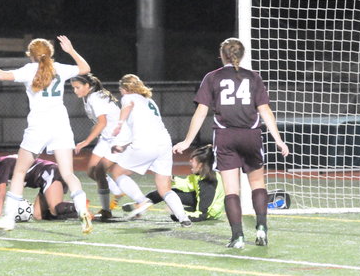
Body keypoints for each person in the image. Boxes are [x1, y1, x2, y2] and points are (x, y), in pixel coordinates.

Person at [0, 35, 93, 233]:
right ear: (50, 53)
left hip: (38, 126)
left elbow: (1, 75)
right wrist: (70, 50)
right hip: (61, 125)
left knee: (19, 172)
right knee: (68, 174)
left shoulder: (29, 70)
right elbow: (85, 68)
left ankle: (9, 219)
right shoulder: (59, 68)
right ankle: (82, 211)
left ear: (31, 55)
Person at [173, 37, 289, 249]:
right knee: (257, 184)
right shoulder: (254, 77)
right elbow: (265, 111)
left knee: (231, 191)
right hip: (251, 135)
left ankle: (237, 237)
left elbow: (201, 112)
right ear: (242, 55)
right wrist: (279, 140)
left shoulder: (212, 77)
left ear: (222, 55)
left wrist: (187, 141)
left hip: (226, 137)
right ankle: (261, 228)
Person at [110, 74, 192, 226]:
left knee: (117, 172)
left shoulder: (128, 97)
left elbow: (128, 106)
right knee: (164, 188)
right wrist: (123, 145)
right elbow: (141, 126)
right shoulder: (149, 101)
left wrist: (119, 124)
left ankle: (141, 201)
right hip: (164, 143)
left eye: (121, 90)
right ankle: (183, 218)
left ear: (125, 88)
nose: (121, 93)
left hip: (146, 143)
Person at [0, 146, 78, 221]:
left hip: (50, 173)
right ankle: (78, 214)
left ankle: (82, 208)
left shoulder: (2, 164)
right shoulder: (3, 163)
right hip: (45, 179)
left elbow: (1, 190)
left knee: (55, 208)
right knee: (38, 215)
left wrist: (0, 211)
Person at [70, 73, 126, 221]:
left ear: (87, 86)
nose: (75, 90)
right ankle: (117, 191)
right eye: (73, 88)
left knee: (100, 170)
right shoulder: (88, 96)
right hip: (107, 138)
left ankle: (107, 210)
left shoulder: (95, 98)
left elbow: (102, 123)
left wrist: (86, 141)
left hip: (119, 137)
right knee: (91, 172)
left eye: (77, 87)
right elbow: (100, 124)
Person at [123, 145, 225, 222]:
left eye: (193, 160)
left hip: (208, 213)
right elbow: (188, 185)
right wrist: (172, 179)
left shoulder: (208, 185)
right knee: (165, 191)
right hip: (198, 200)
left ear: (201, 165)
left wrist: (180, 214)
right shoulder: (200, 174)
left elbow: (202, 214)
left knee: (175, 214)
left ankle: (141, 206)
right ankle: (141, 204)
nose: (190, 161)